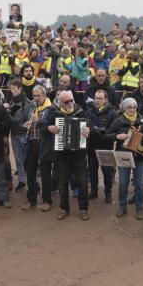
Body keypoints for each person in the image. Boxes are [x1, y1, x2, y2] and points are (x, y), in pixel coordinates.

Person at [46, 89, 91, 220]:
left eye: (71, 100)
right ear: (60, 103)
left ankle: (83, 208)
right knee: (63, 183)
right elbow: (43, 126)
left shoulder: (81, 112)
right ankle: (64, 208)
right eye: (66, 102)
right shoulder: (55, 114)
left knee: (82, 182)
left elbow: (90, 127)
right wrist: (50, 128)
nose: (70, 103)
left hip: (79, 155)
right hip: (63, 155)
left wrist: (88, 130)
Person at [106, 97, 143, 219]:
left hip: (139, 157)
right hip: (123, 155)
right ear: (124, 108)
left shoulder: (142, 121)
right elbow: (107, 135)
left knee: (139, 184)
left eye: (134, 107)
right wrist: (117, 136)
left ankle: (139, 209)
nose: (132, 109)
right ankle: (122, 207)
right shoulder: (118, 121)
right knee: (123, 183)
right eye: (129, 107)